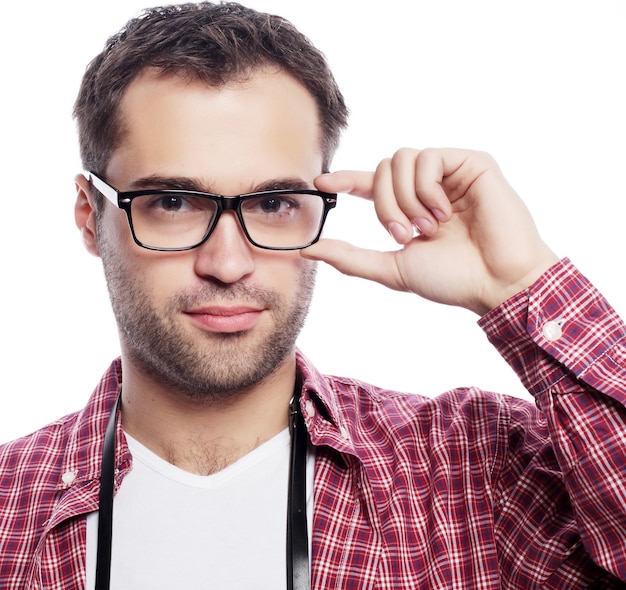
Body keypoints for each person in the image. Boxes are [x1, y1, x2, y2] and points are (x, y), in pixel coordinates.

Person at [1, 1, 625, 588]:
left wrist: (523, 286)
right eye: (172, 202)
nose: (228, 263)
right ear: (90, 217)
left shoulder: (471, 470)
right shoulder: (9, 506)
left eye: (273, 204)